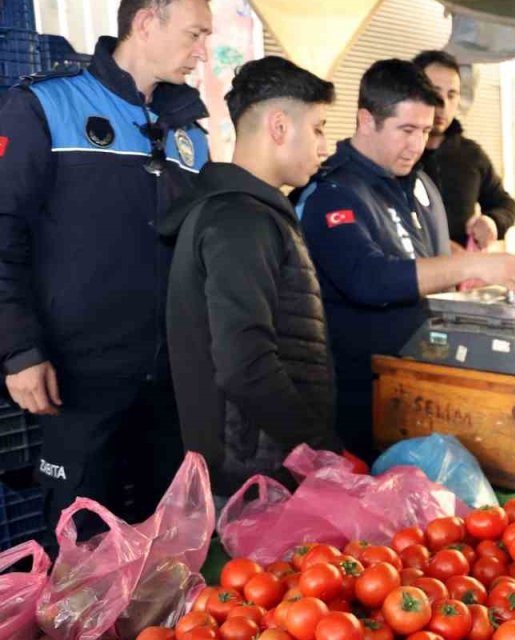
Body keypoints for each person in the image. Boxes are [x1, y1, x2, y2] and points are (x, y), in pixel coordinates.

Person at [0, 0, 211, 528]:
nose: (203, 52)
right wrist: (19, 350)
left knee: (170, 539)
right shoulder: (44, 105)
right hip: (77, 378)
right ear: (146, 23)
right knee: (84, 541)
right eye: (194, 34)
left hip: (171, 383)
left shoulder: (191, 133)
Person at [295, 59, 515, 461]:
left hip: (426, 391)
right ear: (366, 120)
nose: (417, 145)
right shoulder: (331, 192)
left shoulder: (421, 182)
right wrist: (472, 265)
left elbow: (431, 268)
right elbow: (368, 278)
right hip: (361, 404)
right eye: (406, 130)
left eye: (425, 131)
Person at [162, 56, 346, 497]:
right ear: (279, 126)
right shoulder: (239, 221)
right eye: (318, 128)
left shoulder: (248, 213)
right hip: (251, 479)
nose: (325, 147)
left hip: (263, 466)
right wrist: (319, 449)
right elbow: (245, 365)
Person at [412, 50, 515, 250]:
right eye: (434, 92)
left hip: (465, 265)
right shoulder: (396, 155)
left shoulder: (471, 155)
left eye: (452, 95)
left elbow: (505, 204)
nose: (443, 104)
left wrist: (492, 221)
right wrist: (441, 247)